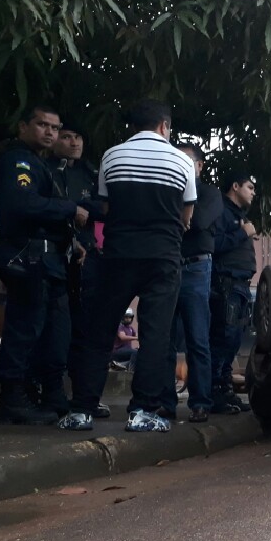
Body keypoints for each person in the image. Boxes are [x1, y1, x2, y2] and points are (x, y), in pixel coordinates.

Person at [69, 99, 196, 433]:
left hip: (118, 254)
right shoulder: (181, 161)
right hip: (163, 257)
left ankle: (81, 410)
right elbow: (187, 217)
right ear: (165, 126)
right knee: (155, 335)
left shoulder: (112, 156)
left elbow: (107, 207)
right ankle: (142, 411)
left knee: (100, 332)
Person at [0, 105, 88, 425]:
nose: (49, 132)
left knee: (55, 331)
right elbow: (23, 204)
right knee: (25, 329)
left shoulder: (42, 165)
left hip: (50, 260)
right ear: (23, 127)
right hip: (27, 257)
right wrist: (69, 209)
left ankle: (51, 393)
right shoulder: (16, 160)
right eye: (42, 125)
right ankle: (13, 398)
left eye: (55, 127)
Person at [157, 142, 224, 423]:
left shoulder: (209, 193)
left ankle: (200, 402)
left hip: (197, 267)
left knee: (198, 339)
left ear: (199, 166)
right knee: (163, 340)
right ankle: (165, 404)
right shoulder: (166, 189)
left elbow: (198, 223)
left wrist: (175, 219)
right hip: (168, 266)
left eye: (186, 161)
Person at [51, 119, 110, 416]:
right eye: (67, 137)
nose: (74, 143)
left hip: (87, 259)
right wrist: (73, 208)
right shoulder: (47, 169)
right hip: (52, 255)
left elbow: (106, 209)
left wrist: (85, 210)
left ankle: (85, 395)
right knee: (54, 328)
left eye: (78, 138)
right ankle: (48, 392)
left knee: (86, 329)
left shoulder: (91, 173)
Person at [210, 170, 257, 415]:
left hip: (240, 285)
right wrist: (244, 233)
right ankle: (215, 393)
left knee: (234, 340)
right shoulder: (220, 209)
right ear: (236, 186)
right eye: (250, 187)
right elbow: (214, 244)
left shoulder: (239, 215)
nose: (253, 192)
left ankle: (225, 392)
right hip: (225, 282)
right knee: (223, 338)